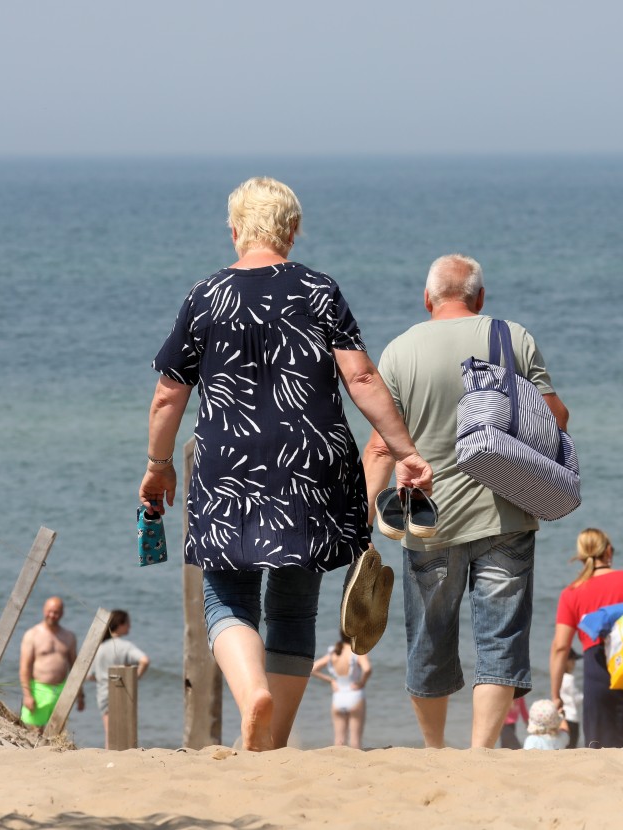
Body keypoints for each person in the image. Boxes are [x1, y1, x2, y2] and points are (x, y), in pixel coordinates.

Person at [139, 177, 431, 752]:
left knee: (227, 597)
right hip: (311, 468)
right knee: (295, 607)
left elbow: (168, 396)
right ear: (292, 231)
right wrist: (406, 450)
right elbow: (363, 378)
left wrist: (158, 464)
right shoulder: (319, 290)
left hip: (228, 464)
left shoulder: (205, 296)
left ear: (235, 230)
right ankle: (271, 742)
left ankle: (253, 700)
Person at [362, 253, 570, 749]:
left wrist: (363, 517)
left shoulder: (398, 351)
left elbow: (378, 447)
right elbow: (554, 417)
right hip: (507, 511)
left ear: (427, 298)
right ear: (480, 298)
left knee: (429, 638)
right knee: (500, 637)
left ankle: (436, 751)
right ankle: (481, 752)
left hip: (427, 518)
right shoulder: (512, 337)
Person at [549, 528, 623, 751]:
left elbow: (561, 646)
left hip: (599, 670)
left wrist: (556, 695)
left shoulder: (572, 593)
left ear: (582, 556)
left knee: (603, 754)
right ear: (609, 551)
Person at [87, 609, 150, 749]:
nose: (130, 626)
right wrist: (135, 678)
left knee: (110, 732)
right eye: (128, 623)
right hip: (124, 691)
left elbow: (89, 675)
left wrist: (102, 678)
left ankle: (111, 758)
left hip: (104, 693)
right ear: (120, 624)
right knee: (125, 732)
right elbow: (144, 660)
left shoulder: (99, 647)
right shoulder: (125, 646)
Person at [19, 595, 82, 728]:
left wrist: (80, 695)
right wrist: (27, 695)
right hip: (39, 690)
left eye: (56, 612)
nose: (52, 615)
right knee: (33, 731)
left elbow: (75, 667)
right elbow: (25, 668)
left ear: (62, 613)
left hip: (60, 690)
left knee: (57, 732)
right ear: (44, 610)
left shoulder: (69, 637)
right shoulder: (32, 635)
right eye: (50, 611)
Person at [310, 632, 371, 749]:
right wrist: (362, 683)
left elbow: (312, 669)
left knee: (339, 740)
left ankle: (338, 765)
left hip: (338, 697)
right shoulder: (358, 651)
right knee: (355, 740)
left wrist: (331, 680)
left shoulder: (334, 652)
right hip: (355, 695)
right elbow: (367, 669)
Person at [559, 648, 583, 749]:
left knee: (565, 745)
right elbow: (576, 698)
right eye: (572, 660)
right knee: (572, 745)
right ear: (566, 661)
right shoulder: (570, 678)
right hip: (572, 717)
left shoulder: (559, 678)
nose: (574, 663)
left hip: (562, 717)